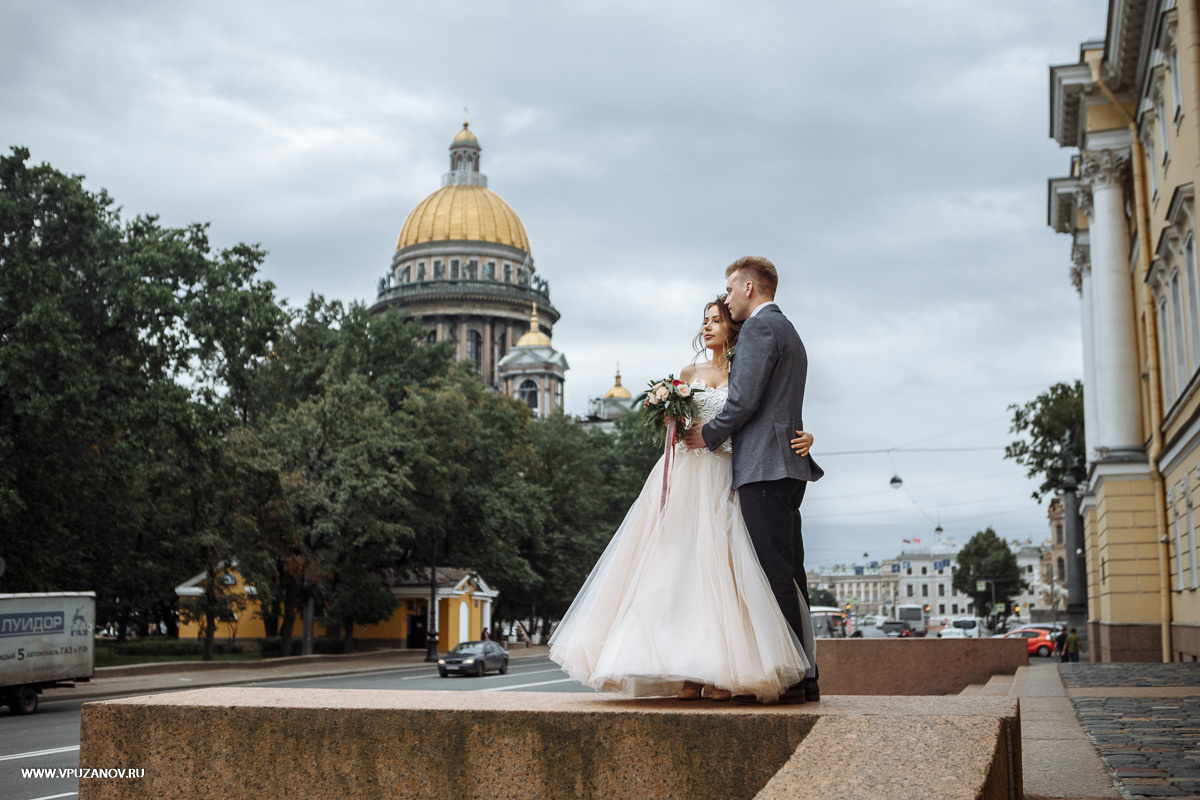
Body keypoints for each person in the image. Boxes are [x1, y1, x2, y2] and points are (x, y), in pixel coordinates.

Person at [547, 295, 816, 704]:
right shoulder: (689, 370)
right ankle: (685, 672)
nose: (706, 327)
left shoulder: (745, 366)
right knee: (673, 570)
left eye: (716, 320)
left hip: (725, 472)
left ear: (732, 326)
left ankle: (723, 671)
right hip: (687, 473)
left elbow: (763, 413)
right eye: (704, 320)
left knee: (724, 573)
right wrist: (670, 416)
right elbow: (679, 428)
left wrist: (806, 437)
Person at [683, 256, 824, 704]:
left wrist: (706, 434)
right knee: (791, 573)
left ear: (748, 288)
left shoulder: (762, 329)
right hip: (784, 467)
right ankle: (807, 674)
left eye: (728, 291)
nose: (725, 299)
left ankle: (792, 676)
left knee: (773, 576)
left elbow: (742, 402)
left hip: (763, 469)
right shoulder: (789, 329)